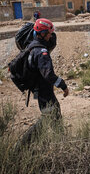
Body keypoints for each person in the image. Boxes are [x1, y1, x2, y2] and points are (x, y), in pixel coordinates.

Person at [18, 18, 69, 147]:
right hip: (44, 91)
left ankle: (60, 141)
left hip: (39, 90)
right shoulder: (41, 52)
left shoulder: (32, 46)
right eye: (49, 33)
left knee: (53, 115)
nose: (51, 36)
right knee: (50, 116)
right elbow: (49, 75)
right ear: (42, 33)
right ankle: (23, 145)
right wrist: (63, 86)